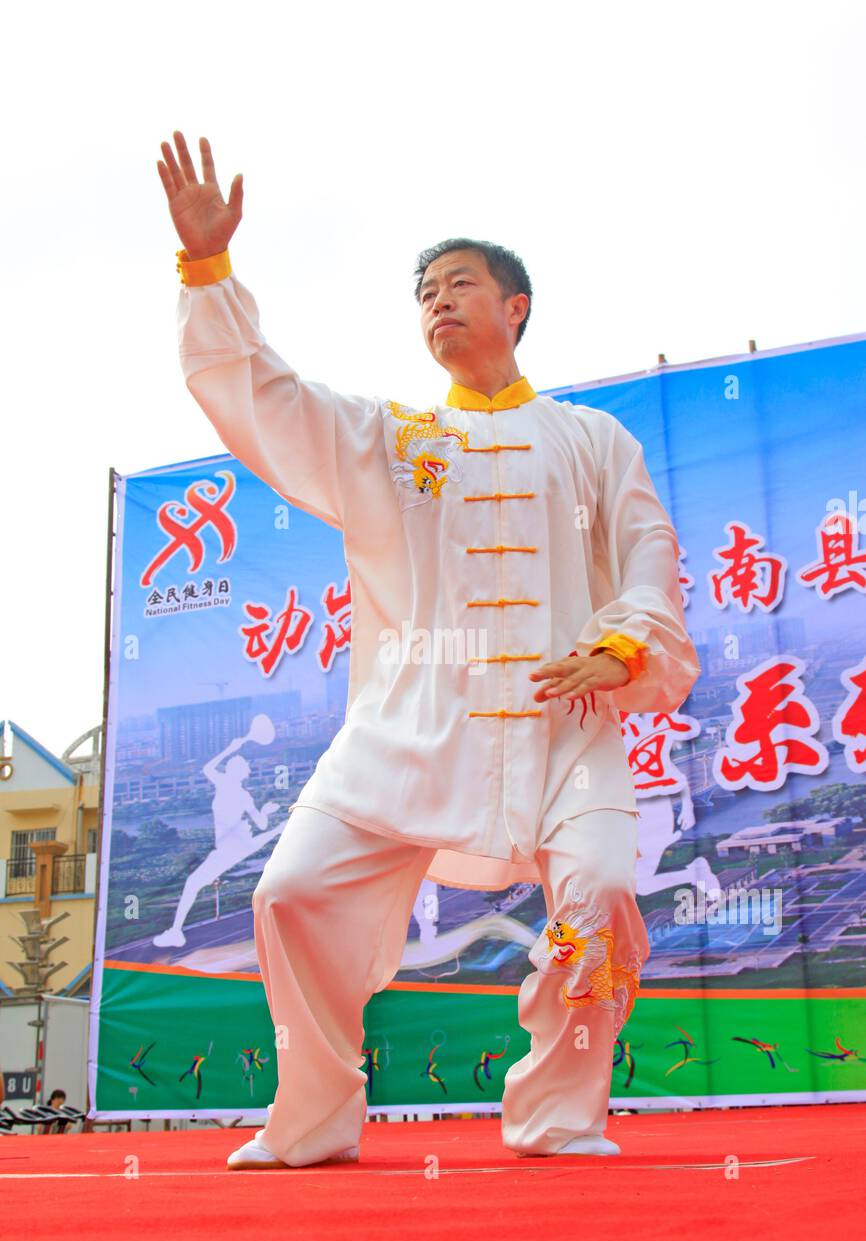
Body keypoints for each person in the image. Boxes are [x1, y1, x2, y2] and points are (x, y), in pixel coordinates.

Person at [157, 130, 700, 1169]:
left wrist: (622, 642)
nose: (438, 302)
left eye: (460, 284)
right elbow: (264, 397)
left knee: (596, 897)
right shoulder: (391, 439)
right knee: (288, 894)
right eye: (424, 294)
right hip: (409, 726)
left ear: (515, 308)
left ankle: (555, 1112)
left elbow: (645, 551)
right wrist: (206, 267)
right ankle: (311, 1116)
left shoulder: (591, 441)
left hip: (564, 731)